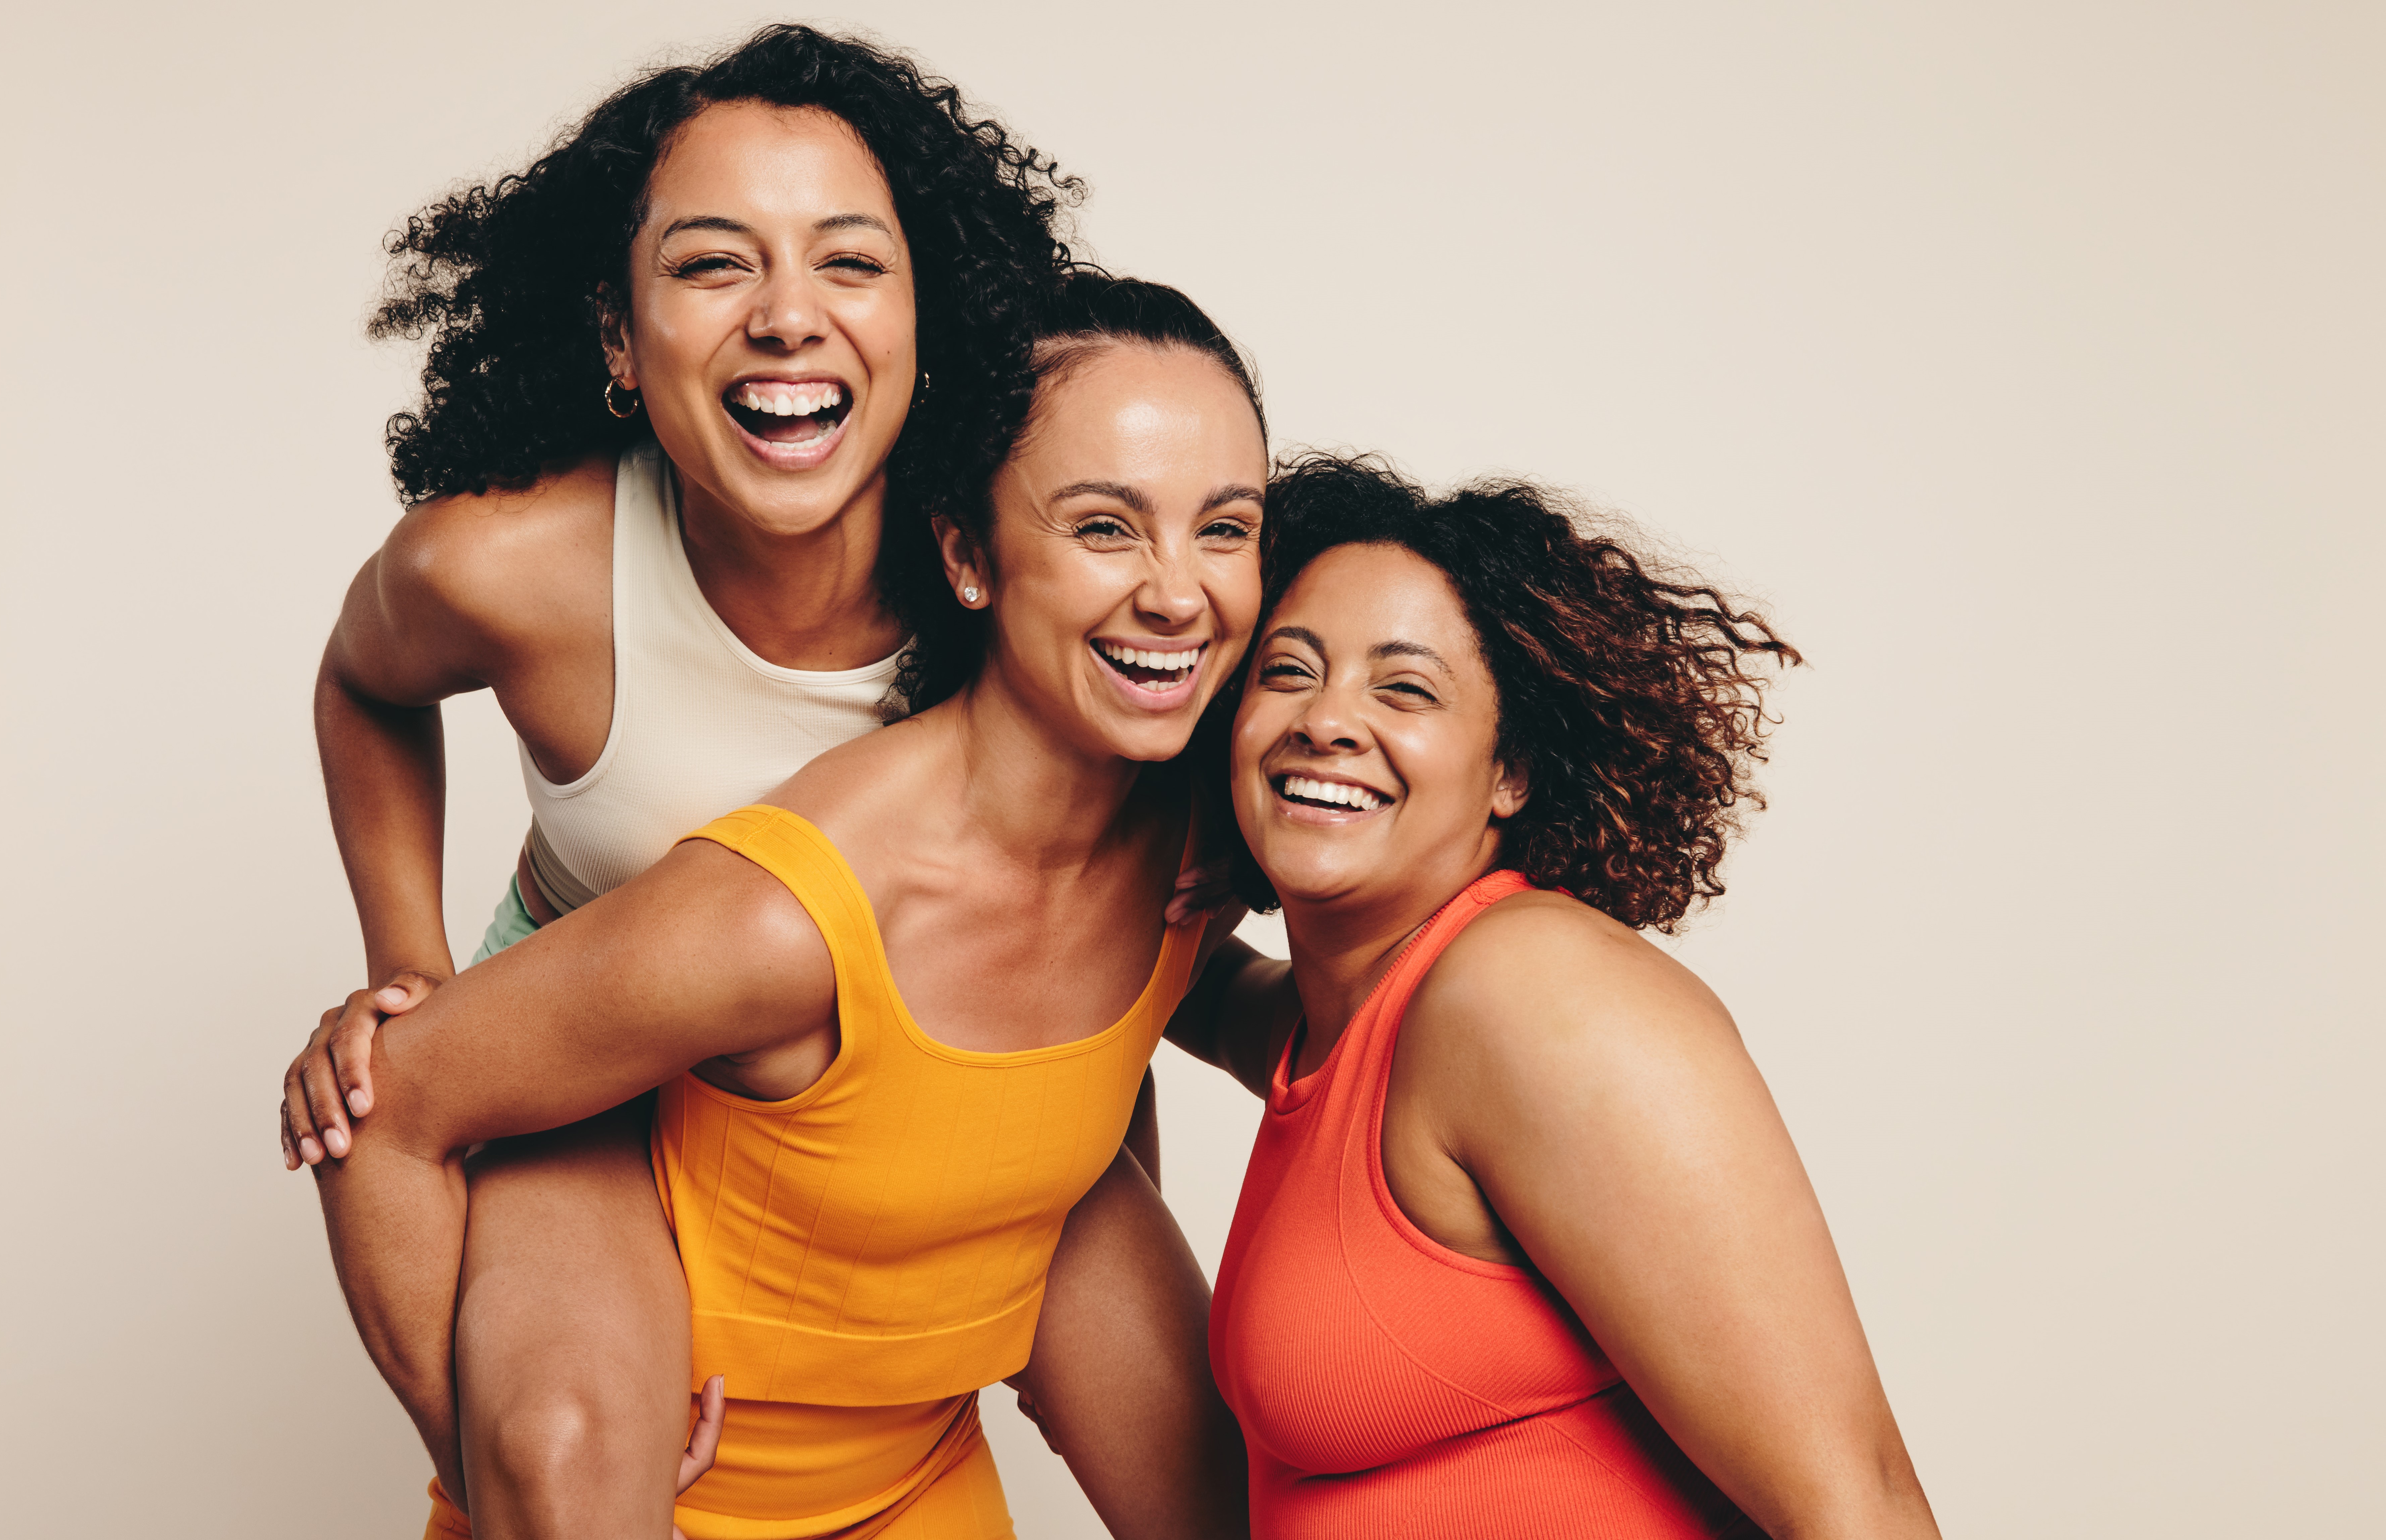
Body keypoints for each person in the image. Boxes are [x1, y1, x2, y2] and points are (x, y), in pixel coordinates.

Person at [277, 20, 1227, 1533]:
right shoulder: (511, 565)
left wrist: (1215, 863)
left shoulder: (1003, 556)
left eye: (850, 264)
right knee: (564, 1452)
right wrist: (409, 970)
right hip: (600, 1058)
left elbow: (1178, 693)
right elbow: (359, 687)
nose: (790, 316)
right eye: (716, 265)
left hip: (912, 1053)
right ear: (616, 331)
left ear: (932, 318)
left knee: (1216, 1466)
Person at [1167, 455, 1944, 1538]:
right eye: (1288, 673)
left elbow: (1858, 1503)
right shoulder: (1339, 1026)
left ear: (1511, 773)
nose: (1326, 721)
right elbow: (1185, 988)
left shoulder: (1527, 992)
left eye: (1405, 688)